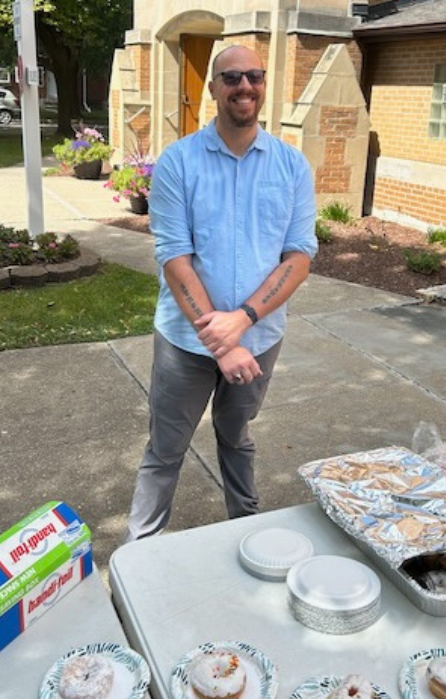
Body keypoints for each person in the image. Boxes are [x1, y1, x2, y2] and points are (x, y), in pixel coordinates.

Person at [124, 45, 318, 541]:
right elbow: (174, 259)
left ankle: (246, 530)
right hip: (184, 345)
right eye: (231, 77)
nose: (244, 86)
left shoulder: (291, 166)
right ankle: (139, 552)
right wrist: (224, 342)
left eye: (254, 76)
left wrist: (244, 323)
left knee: (237, 436)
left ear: (263, 85)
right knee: (165, 450)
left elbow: (298, 257)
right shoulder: (178, 163)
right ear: (213, 88)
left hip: (260, 338)